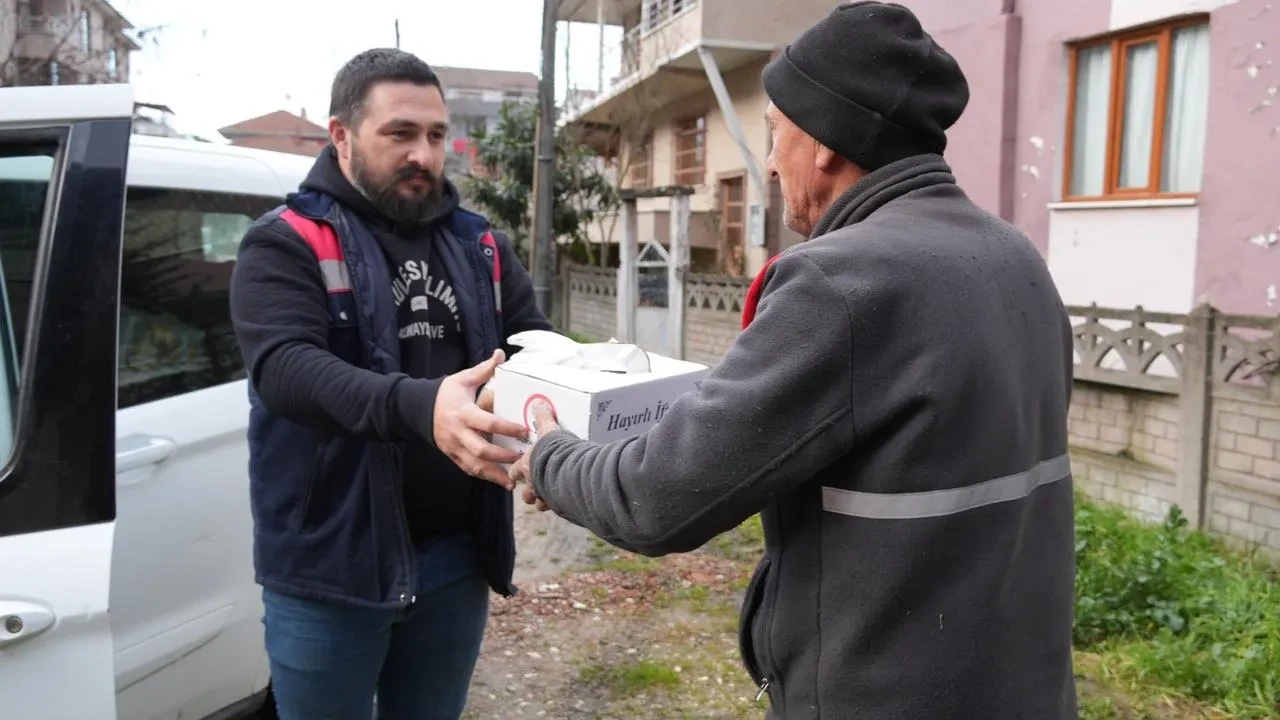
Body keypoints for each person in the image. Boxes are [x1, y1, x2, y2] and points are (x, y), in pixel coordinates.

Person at [510, 3, 1077, 719]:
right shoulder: (1016, 258)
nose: (772, 161)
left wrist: (547, 453)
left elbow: (654, 500)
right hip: (1021, 690)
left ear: (826, 142)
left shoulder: (842, 282)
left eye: (776, 133)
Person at [229, 48, 548, 720]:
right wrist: (422, 406)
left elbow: (535, 352)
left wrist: (557, 434)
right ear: (341, 135)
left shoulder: (481, 247)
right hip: (329, 571)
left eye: (435, 135)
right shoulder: (285, 242)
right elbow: (285, 369)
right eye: (400, 133)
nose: (423, 156)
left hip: (455, 559)